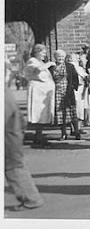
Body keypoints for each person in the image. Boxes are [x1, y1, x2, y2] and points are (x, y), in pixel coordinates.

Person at [5, 60, 45, 211]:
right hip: (13, 135)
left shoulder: (4, 96)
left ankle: (31, 198)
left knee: (13, 168)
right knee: (15, 167)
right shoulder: (6, 93)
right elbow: (21, 121)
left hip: (8, 138)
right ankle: (31, 197)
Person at [23, 44, 56, 146]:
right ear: (36, 52)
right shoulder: (32, 61)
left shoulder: (41, 62)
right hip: (37, 91)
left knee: (43, 114)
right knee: (38, 113)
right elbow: (38, 70)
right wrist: (50, 63)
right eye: (43, 52)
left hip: (43, 91)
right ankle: (38, 136)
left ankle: (40, 134)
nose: (44, 54)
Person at [50, 50, 80, 140]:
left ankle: (77, 132)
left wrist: (74, 87)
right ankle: (63, 133)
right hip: (57, 92)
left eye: (62, 57)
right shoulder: (52, 67)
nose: (61, 59)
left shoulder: (69, 66)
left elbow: (75, 77)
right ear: (55, 57)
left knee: (72, 112)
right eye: (59, 57)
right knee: (60, 114)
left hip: (68, 91)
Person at [66, 53, 88, 137]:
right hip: (76, 89)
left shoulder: (79, 68)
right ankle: (76, 128)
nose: (78, 59)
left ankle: (76, 128)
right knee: (76, 108)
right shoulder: (74, 67)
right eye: (76, 58)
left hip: (79, 89)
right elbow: (85, 76)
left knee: (77, 108)